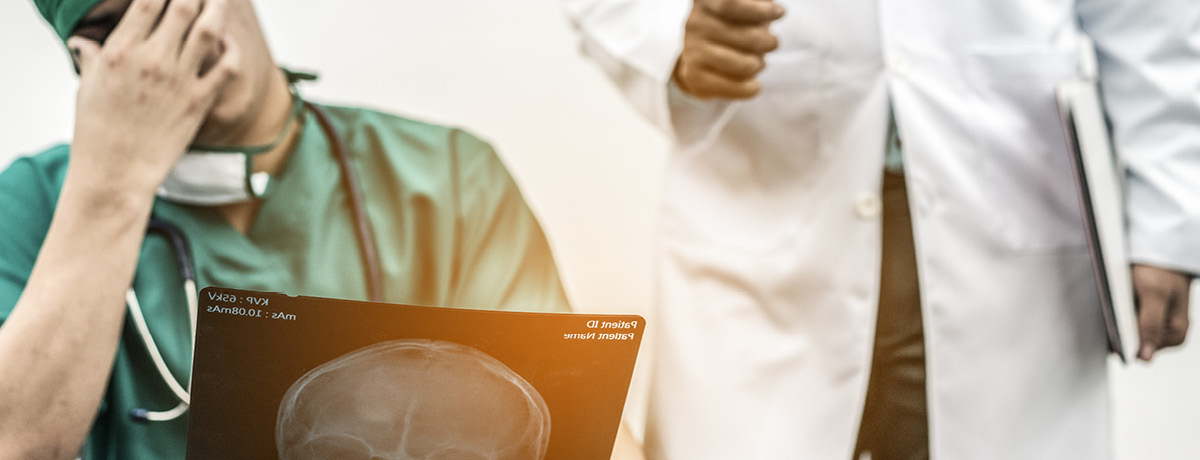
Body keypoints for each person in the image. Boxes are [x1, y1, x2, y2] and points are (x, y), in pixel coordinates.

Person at [0, 0, 643, 459]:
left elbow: (582, 436)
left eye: (173, 5)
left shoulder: (448, 177)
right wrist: (112, 186)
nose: (165, 51)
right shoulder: (36, 203)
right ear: (83, 61)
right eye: (117, 30)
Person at [564, 0, 1198, 458]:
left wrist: (1168, 218)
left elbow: (1154, 18)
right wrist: (670, 40)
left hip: (1012, 217)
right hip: (764, 199)